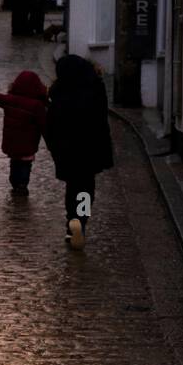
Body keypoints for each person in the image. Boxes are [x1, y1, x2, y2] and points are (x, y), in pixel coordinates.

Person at [44, 55, 113, 250]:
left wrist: (53, 146)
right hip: (90, 148)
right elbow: (101, 120)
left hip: (67, 150)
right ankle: (81, 221)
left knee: (72, 185)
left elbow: (51, 123)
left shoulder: (59, 91)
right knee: (86, 187)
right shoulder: (96, 88)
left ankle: (71, 220)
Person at [0, 71, 50, 196]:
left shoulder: (10, 100)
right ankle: (22, 185)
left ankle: (15, 184)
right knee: (25, 164)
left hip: (12, 143)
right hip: (28, 144)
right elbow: (44, 126)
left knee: (15, 163)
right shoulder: (37, 106)